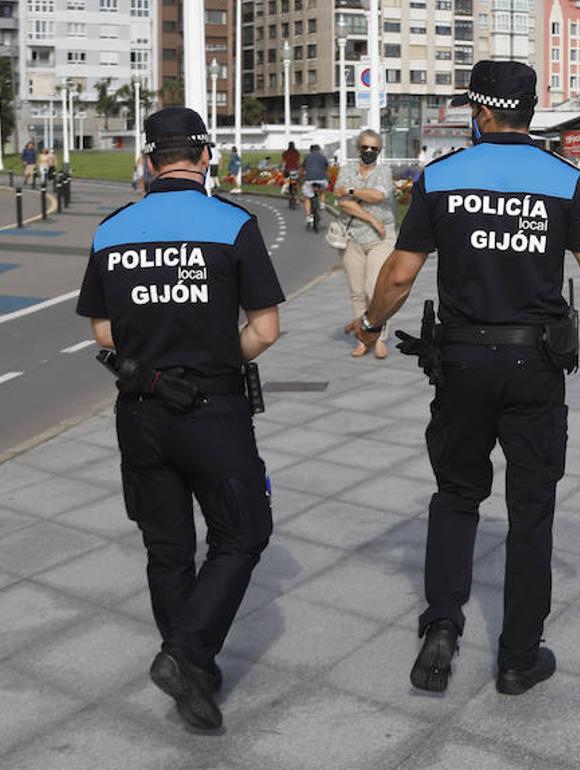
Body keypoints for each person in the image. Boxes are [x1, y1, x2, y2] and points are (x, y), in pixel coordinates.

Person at [344, 60, 580, 696]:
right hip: (534, 364)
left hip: (461, 361)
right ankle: (517, 656)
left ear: (480, 113)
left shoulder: (442, 177)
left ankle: (443, 628)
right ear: (529, 111)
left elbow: (399, 273)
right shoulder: (566, 182)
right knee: (531, 508)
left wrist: (371, 324)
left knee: (456, 494)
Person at [75, 107, 284, 731]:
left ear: (148, 159)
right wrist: (217, 356)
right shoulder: (233, 224)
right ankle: (186, 655)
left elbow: (104, 329)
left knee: (166, 546)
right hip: (213, 408)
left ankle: (189, 670)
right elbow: (266, 330)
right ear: (204, 157)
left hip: (139, 409)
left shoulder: (113, 229)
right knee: (242, 534)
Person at [334, 129, 397, 359]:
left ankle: (379, 337)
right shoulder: (346, 170)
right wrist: (371, 217)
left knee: (374, 289)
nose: (369, 152)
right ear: (358, 148)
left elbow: (378, 196)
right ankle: (362, 339)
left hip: (381, 239)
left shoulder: (384, 171)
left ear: (379, 151)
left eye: (374, 148)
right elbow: (343, 203)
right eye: (365, 147)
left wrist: (351, 191)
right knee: (357, 292)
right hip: (353, 237)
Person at [301, 143, 330, 225]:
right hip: (321, 179)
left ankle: (308, 217)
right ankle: (322, 203)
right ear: (319, 150)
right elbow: (327, 168)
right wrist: (328, 179)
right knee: (322, 191)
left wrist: (301, 179)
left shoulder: (307, 157)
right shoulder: (323, 157)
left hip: (309, 179)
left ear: (310, 150)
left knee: (307, 197)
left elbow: (302, 168)